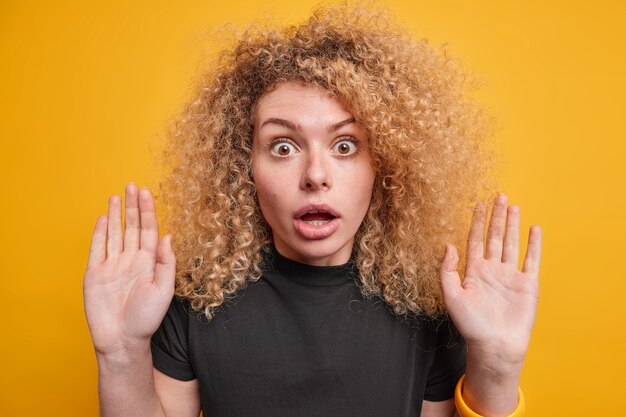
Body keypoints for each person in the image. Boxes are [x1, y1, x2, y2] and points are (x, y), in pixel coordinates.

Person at [83, 4, 542, 417]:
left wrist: (498, 367)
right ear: (244, 167)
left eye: (345, 145)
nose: (315, 174)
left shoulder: (429, 310)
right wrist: (121, 353)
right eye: (283, 146)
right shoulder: (194, 302)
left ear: (383, 165)